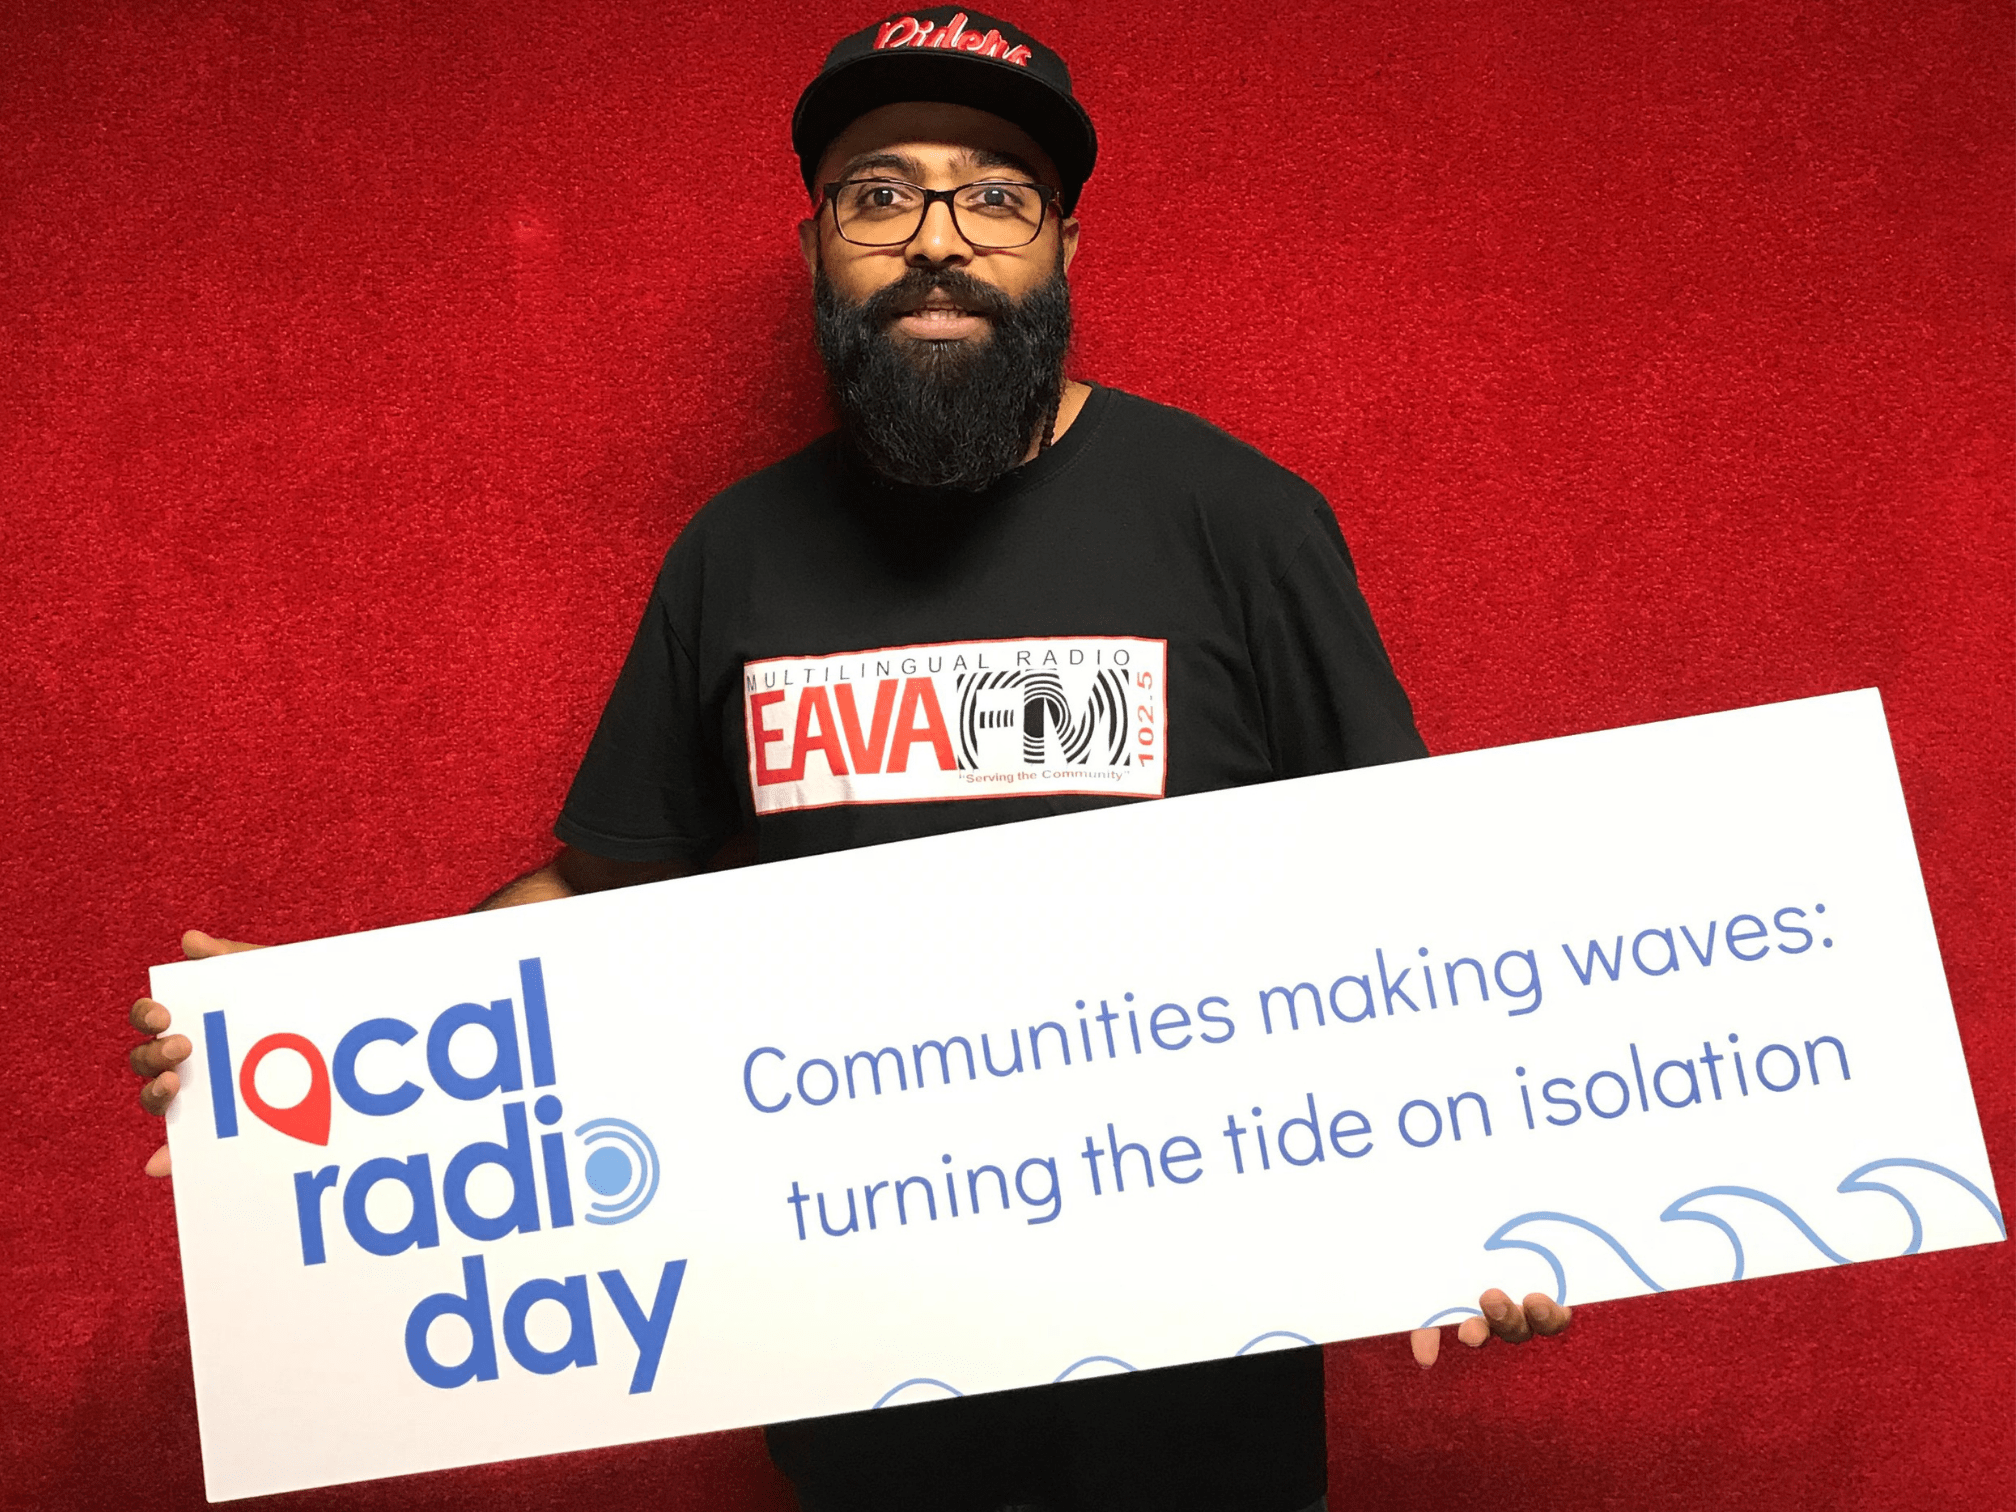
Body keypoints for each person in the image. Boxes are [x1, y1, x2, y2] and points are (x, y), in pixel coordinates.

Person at [126, 9, 1571, 1509]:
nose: (935, 238)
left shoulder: (1240, 519)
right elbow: (610, 886)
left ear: (1065, 248)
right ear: (821, 245)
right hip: (864, 1373)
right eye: (881, 194)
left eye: (994, 194)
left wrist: (1507, 1204)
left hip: (1195, 1394)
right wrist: (318, 1054)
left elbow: (1409, 890)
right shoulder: (733, 557)